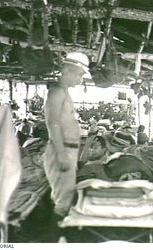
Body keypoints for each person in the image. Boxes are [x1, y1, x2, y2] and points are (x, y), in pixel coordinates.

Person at [43, 52, 90, 231]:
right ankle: (54, 237)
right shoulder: (56, 92)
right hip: (60, 150)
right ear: (68, 71)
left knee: (63, 198)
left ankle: (55, 236)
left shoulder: (63, 92)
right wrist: (62, 153)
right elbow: (52, 122)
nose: (80, 79)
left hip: (67, 150)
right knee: (64, 201)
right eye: (79, 74)